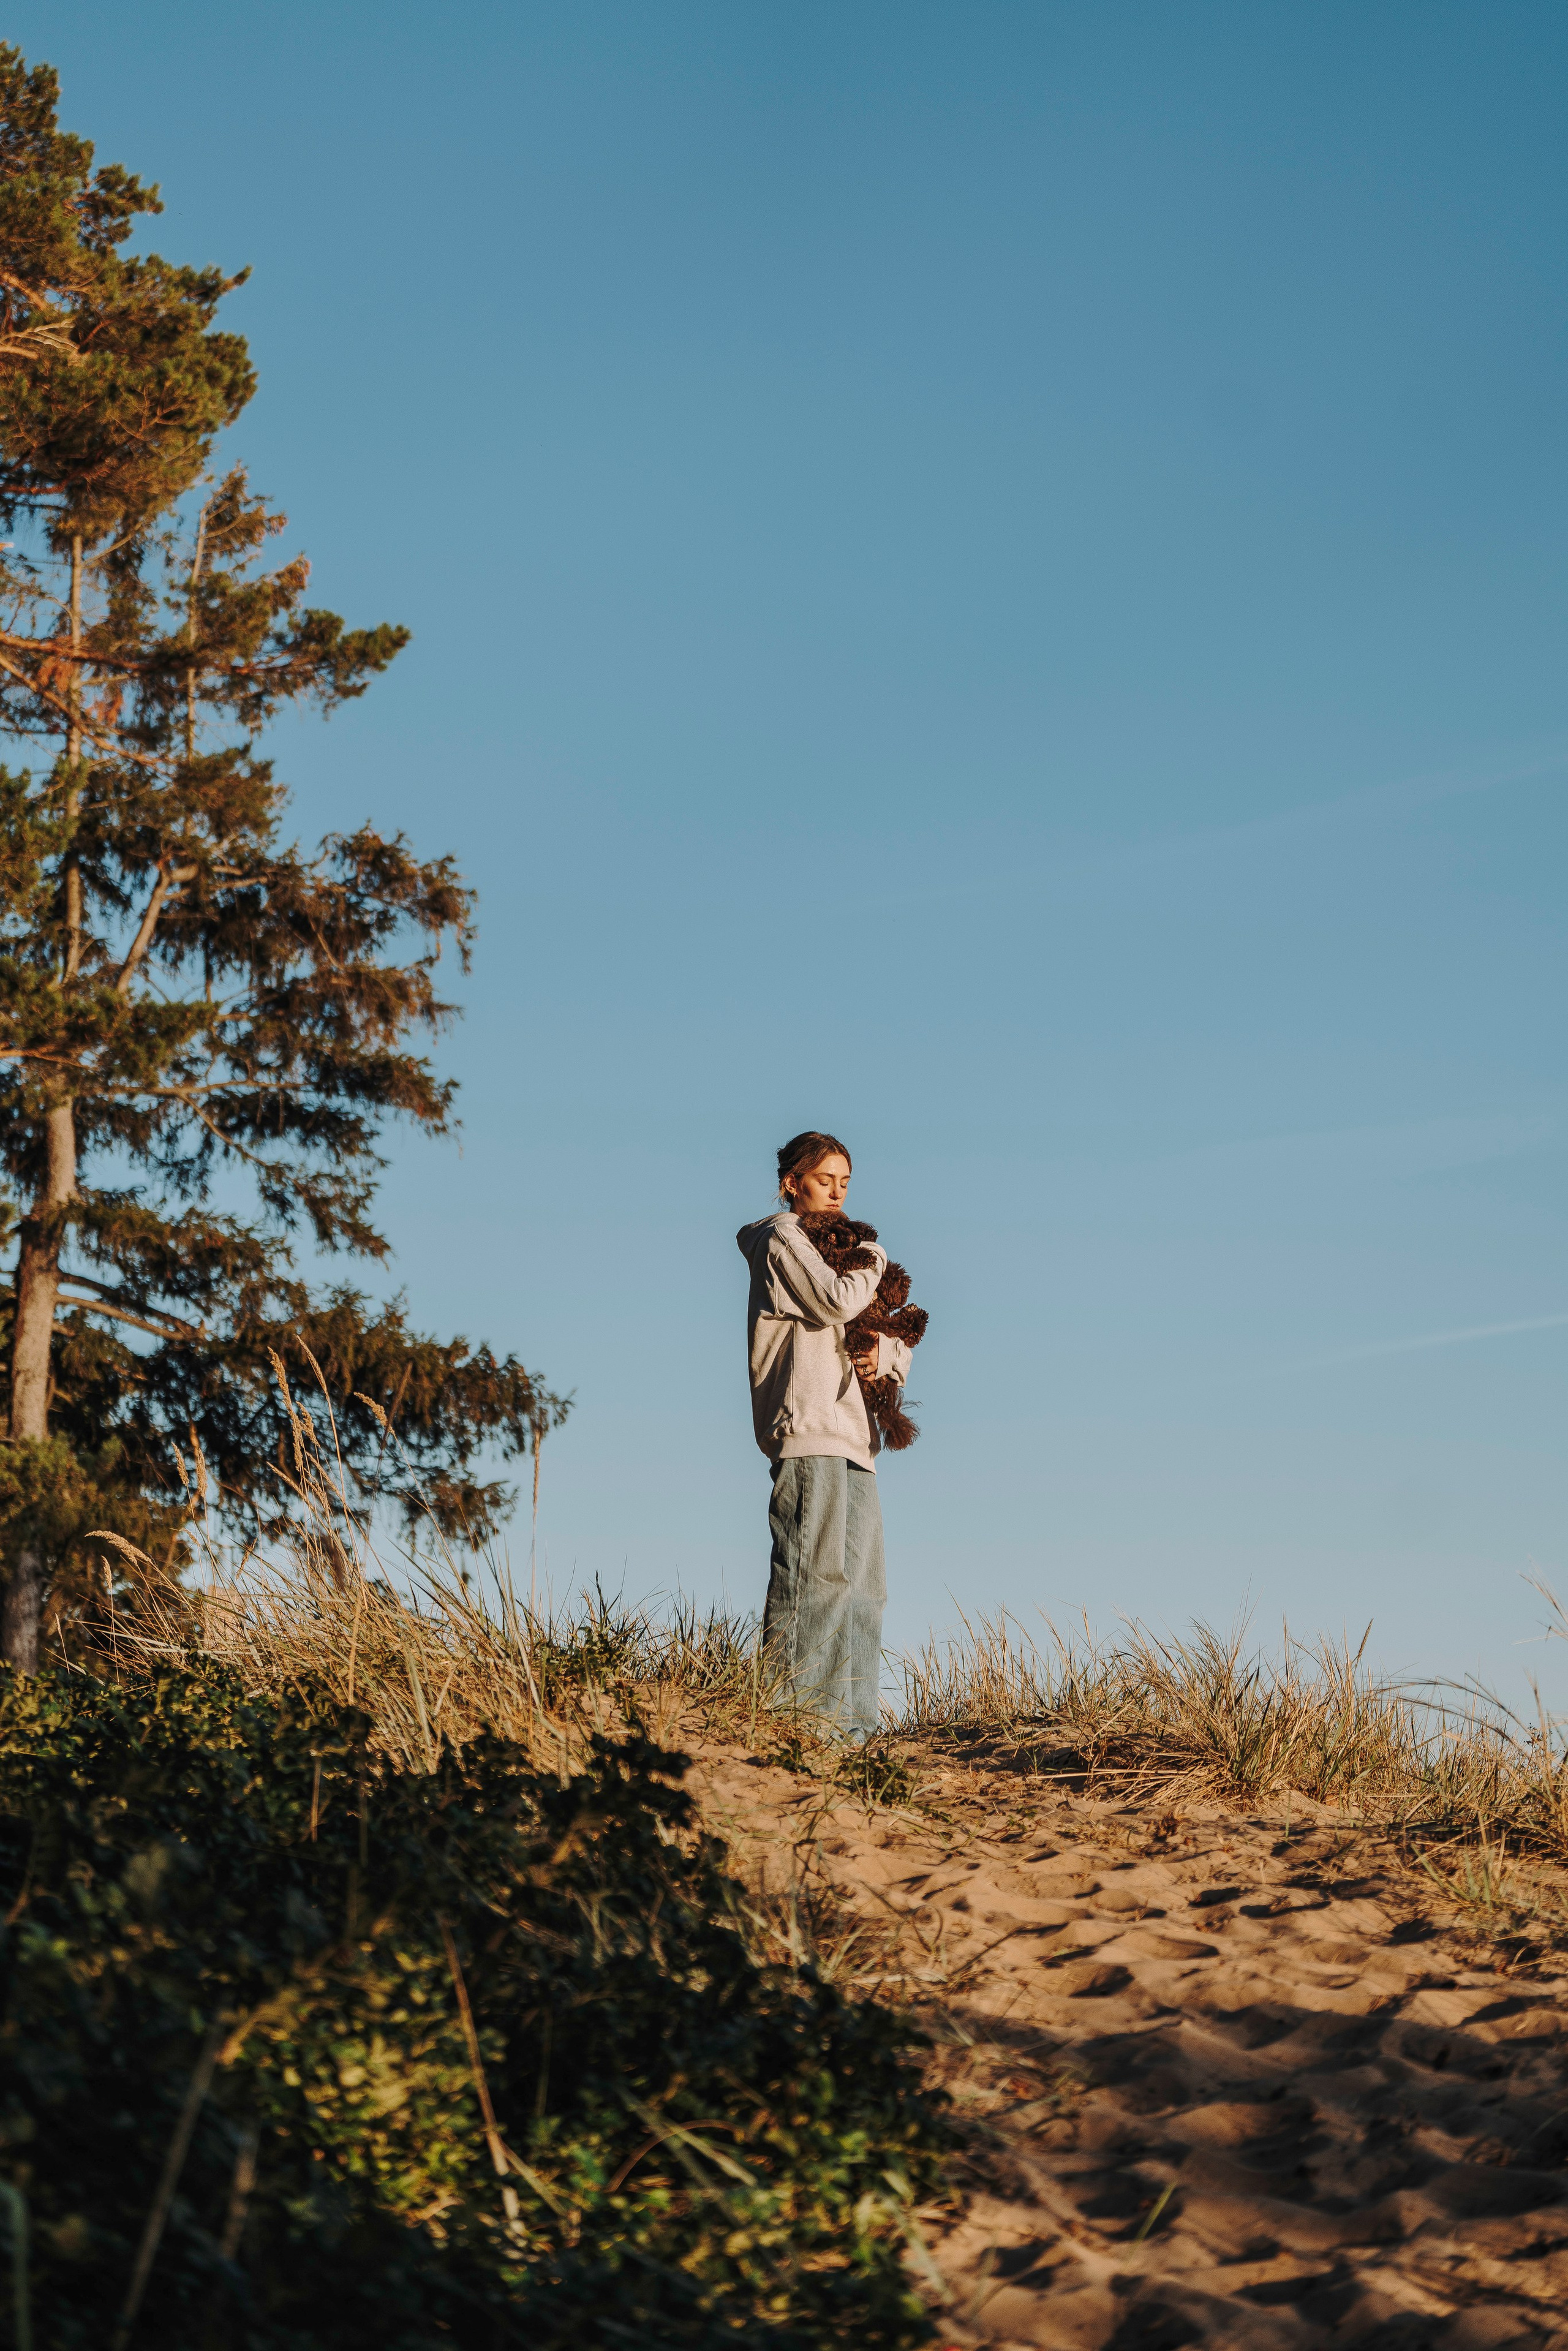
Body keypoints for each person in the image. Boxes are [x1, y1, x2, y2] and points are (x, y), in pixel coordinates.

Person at [736, 1132, 914, 1738]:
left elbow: (888, 1340)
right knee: (813, 1581)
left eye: (844, 1181)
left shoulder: (843, 1250)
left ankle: (853, 1733)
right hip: (808, 1426)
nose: (836, 1191)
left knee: (865, 1591)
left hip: (858, 1439)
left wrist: (882, 1357)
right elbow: (835, 1301)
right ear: (792, 1182)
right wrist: (875, 1257)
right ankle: (793, 1722)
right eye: (824, 1179)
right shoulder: (779, 1238)